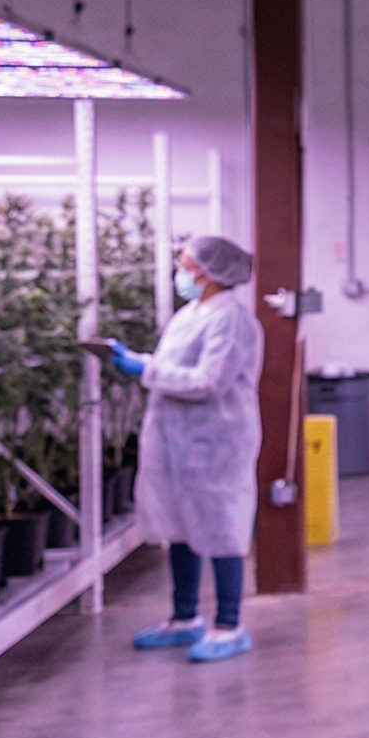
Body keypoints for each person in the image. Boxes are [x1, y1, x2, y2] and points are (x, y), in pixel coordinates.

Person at [109, 235, 264, 664]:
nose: (180, 271)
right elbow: (174, 368)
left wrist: (145, 369)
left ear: (209, 272)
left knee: (220, 525)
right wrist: (140, 361)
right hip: (176, 437)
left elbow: (208, 381)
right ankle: (183, 618)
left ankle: (229, 626)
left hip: (216, 439)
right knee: (180, 524)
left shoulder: (232, 319)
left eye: (186, 264)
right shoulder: (190, 315)